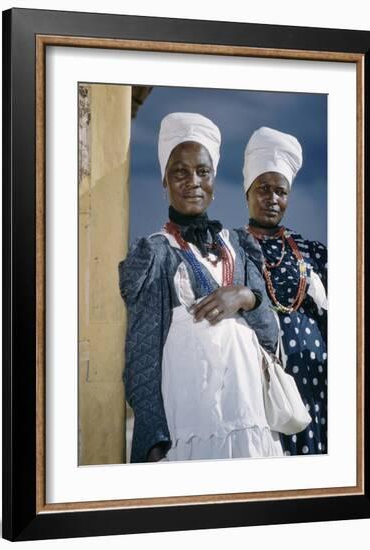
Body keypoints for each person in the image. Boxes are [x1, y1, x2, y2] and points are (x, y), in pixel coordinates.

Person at [119, 113, 283, 463]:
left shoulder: (236, 246)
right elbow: (141, 355)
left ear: (213, 178)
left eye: (202, 171)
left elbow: (269, 334)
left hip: (247, 417)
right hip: (189, 428)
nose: (192, 181)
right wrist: (154, 440)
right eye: (180, 171)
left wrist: (246, 296)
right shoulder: (157, 253)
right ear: (164, 180)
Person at [235, 126, 328, 456]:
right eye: (263, 189)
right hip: (261, 387)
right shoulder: (230, 247)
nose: (271, 198)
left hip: (315, 386)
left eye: (280, 191)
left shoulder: (311, 251)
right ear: (247, 191)